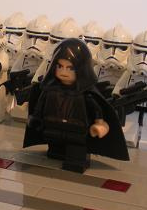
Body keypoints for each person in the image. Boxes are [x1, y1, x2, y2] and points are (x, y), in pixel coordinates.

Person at [23, 38, 129, 173]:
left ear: (81, 69)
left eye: (70, 68)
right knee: (55, 147)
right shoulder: (49, 89)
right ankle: (57, 152)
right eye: (60, 66)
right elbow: (40, 105)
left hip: (77, 130)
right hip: (52, 127)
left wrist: (99, 123)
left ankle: (75, 161)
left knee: (76, 151)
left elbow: (96, 108)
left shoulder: (85, 93)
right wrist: (36, 118)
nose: (63, 72)